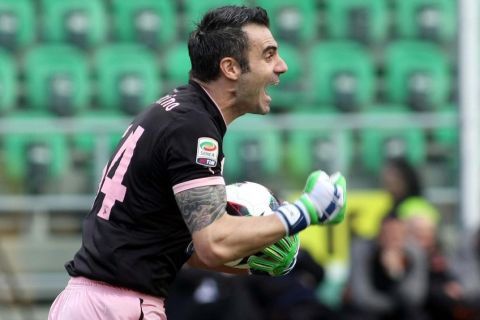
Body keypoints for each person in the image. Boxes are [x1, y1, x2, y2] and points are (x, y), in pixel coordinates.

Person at [48, 6, 347, 320]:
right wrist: (306, 211)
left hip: (99, 302)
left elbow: (179, 248)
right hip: (116, 307)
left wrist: (255, 254)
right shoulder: (193, 127)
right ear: (231, 67)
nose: (282, 66)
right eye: (269, 55)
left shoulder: (180, 112)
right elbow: (213, 243)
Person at [344, 217, 427, 320]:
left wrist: (396, 273)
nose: (391, 239)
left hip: (401, 310)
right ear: (379, 235)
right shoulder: (363, 250)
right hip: (371, 310)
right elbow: (361, 297)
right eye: (387, 234)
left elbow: (414, 297)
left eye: (397, 235)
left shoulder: (414, 253)